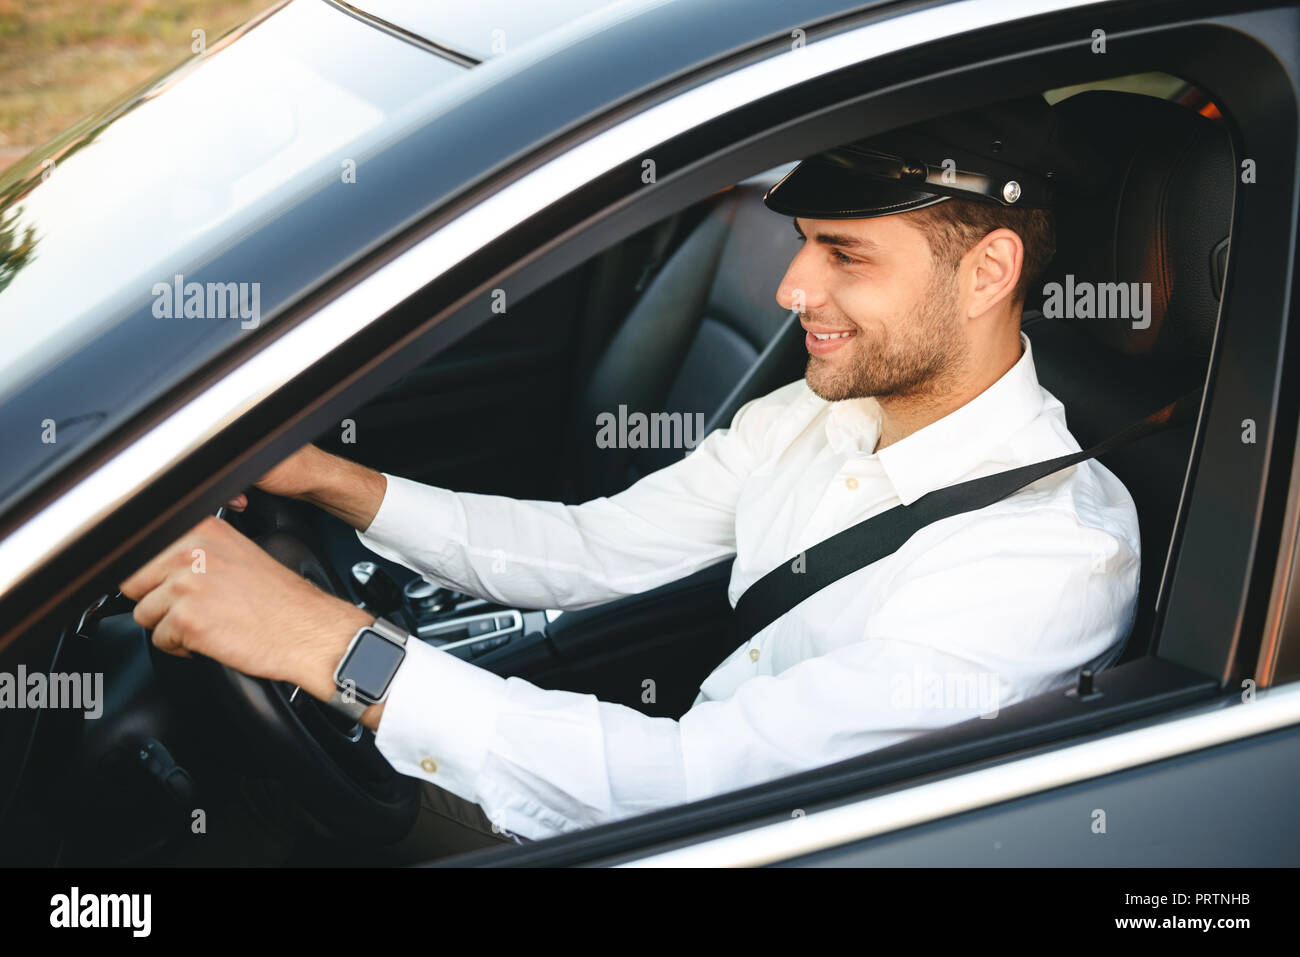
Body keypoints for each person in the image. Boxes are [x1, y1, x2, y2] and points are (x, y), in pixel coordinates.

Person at [121, 95, 1139, 854]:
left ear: (989, 272)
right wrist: (327, 483)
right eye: (799, 246)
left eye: (843, 255)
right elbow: (591, 550)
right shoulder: (812, 417)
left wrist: (325, 642)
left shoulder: (1046, 557)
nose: (792, 287)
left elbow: (693, 788)